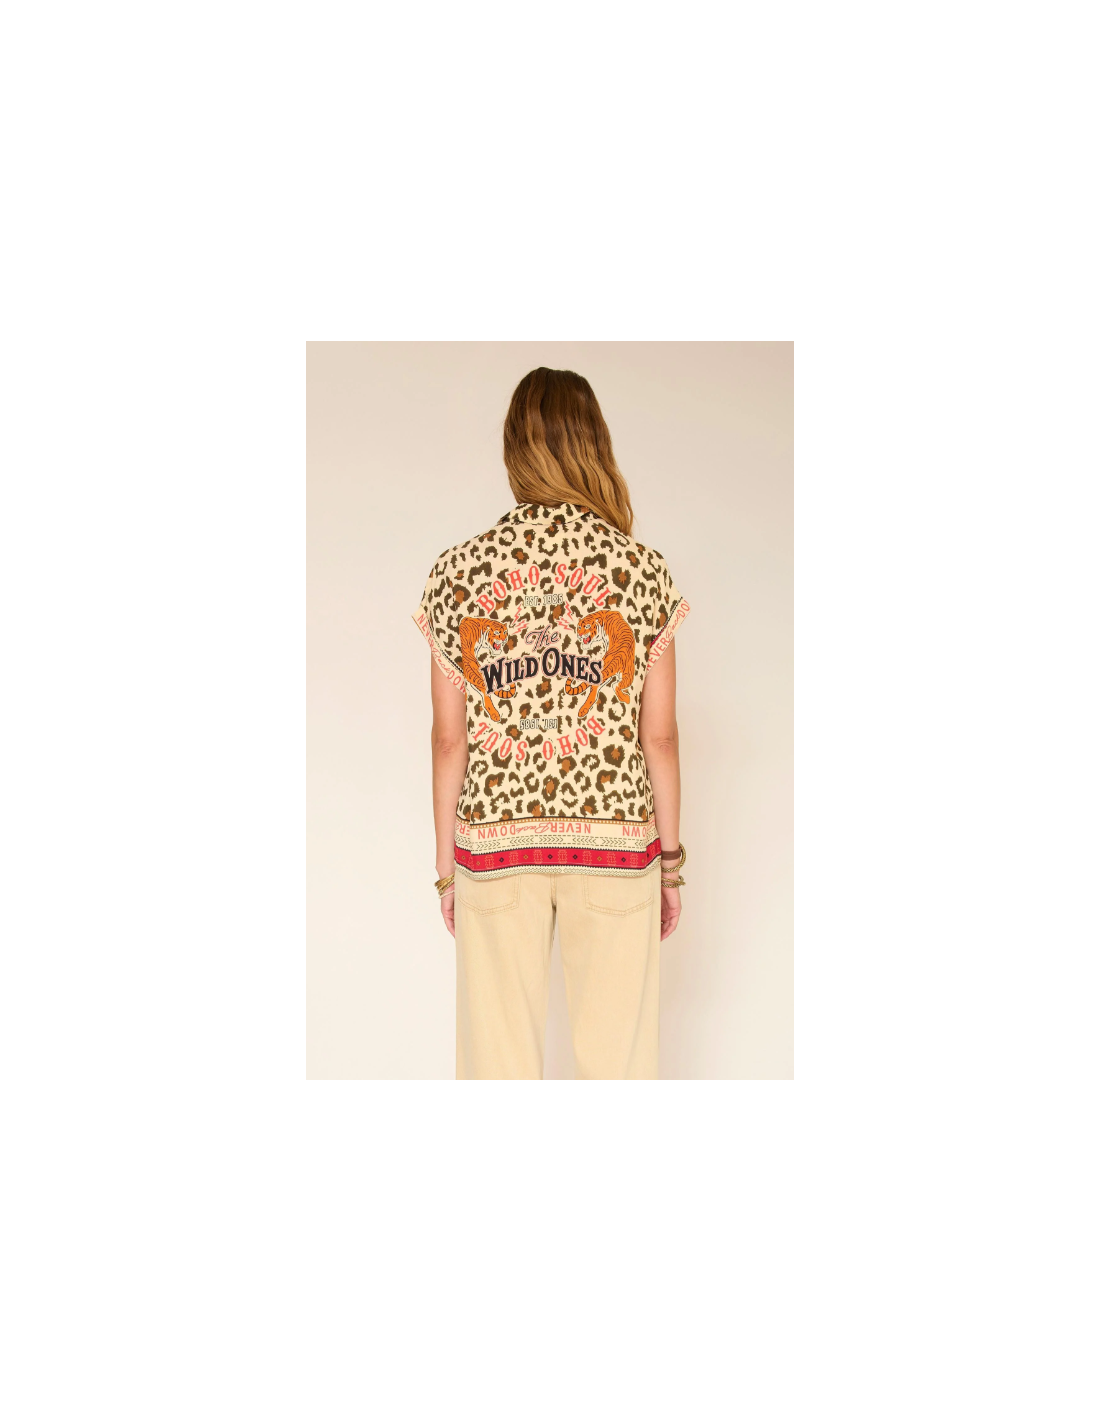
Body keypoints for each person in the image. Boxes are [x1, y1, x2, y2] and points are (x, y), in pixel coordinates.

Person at [412, 367, 690, 1080]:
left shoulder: (457, 573)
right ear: (594, 444)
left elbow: (448, 741)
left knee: (495, 1069)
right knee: (619, 1070)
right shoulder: (642, 572)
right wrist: (670, 864)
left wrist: (447, 873)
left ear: (515, 449)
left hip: (496, 846)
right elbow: (659, 737)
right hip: (616, 841)